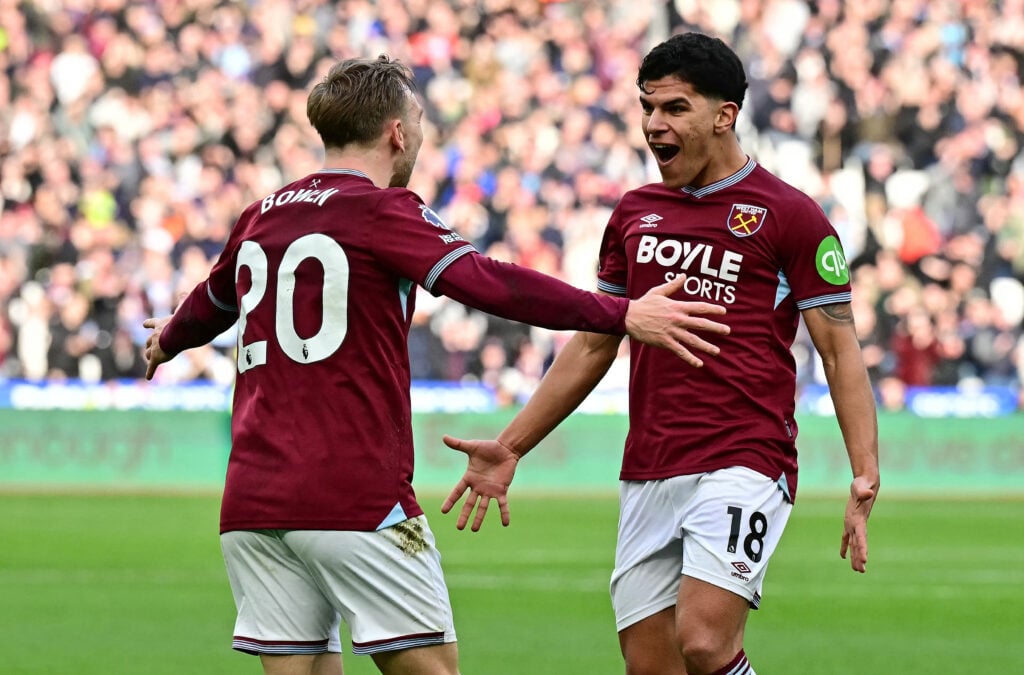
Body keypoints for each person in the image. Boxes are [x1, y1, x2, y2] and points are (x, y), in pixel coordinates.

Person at [141, 55, 731, 675]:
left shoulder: (263, 214)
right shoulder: (382, 210)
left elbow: (211, 301)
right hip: (352, 495)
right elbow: (484, 281)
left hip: (253, 503)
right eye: (418, 121)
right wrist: (619, 313)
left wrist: (167, 343)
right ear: (398, 131)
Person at [441, 32, 880, 675]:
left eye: (674, 108)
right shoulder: (634, 214)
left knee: (703, 640)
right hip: (649, 463)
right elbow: (595, 342)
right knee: (652, 665)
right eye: (647, 108)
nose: (654, 125)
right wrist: (511, 446)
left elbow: (840, 352)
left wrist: (863, 470)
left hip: (744, 455)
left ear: (723, 115)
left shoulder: (790, 216)